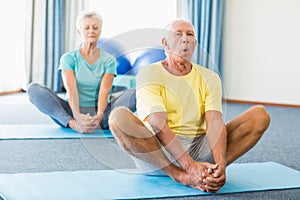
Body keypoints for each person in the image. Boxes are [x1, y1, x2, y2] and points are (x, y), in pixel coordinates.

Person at [108, 19, 270, 192]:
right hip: (157, 154)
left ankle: (211, 173)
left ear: (195, 43)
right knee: (118, 117)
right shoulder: (149, 74)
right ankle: (179, 175)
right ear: (165, 43)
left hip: (199, 148)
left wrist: (221, 164)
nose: (185, 39)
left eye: (189, 34)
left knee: (259, 115)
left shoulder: (210, 77)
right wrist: (189, 167)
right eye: (178, 34)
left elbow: (215, 121)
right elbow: (157, 123)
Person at [27, 10, 136, 133]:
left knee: (141, 90)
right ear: (79, 31)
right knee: (33, 88)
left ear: (100, 31)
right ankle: (71, 123)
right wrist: (76, 118)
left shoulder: (109, 60)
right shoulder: (68, 58)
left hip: (103, 112)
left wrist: (99, 116)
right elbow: (71, 89)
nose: (91, 31)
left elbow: (104, 91)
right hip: (71, 112)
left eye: (95, 27)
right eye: (87, 28)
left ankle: (102, 123)